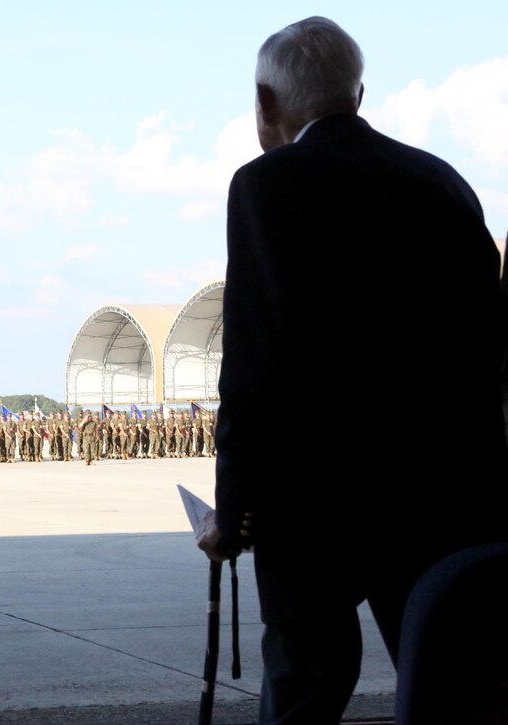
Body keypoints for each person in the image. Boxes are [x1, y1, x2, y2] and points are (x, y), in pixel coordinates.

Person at [197, 17, 508, 724]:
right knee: (453, 693)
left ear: (265, 102)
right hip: (443, 500)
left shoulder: (264, 187)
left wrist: (235, 511)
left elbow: (254, 366)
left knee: (303, 696)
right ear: (358, 94)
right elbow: (487, 351)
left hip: (313, 511)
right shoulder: (443, 184)